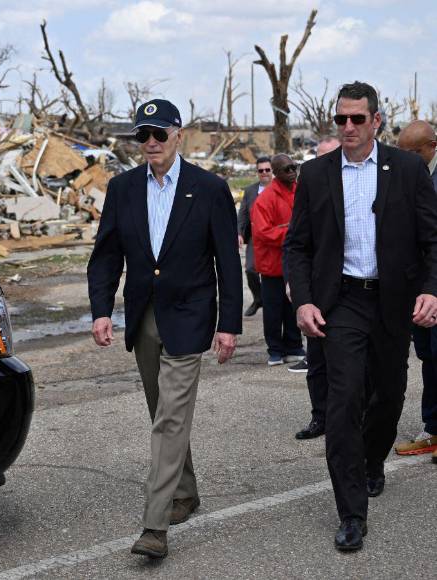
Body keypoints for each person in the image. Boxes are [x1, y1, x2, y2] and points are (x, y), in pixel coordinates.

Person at [87, 98, 242, 559]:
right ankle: (186, 492)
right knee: (164, 413)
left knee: (170, 417)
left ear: (179, 134)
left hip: (191, 314)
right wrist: (101, 310)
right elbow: (107, 255)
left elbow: (227, 264)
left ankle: (154, 527)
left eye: (159, 134)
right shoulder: (123, 188)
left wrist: (228, 324)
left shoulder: (209, 188)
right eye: (143, 136)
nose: (151, 143)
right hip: (143, 315)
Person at [286, 81, 437, 552]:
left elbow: (433, 240)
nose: (348, 127)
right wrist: (304, 300)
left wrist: (431, 289)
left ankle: (373, 461)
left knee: (389, 395)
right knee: (343, 399)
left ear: (375, 121)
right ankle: (352, 513)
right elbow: (298, 245)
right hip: (342, 302)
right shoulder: (314, 174)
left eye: (357, 118)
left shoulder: (409, 169)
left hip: (393, 301)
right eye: (340, 119)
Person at [394, 120, 437, 462]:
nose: (405, 158)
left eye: (411, 152)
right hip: (417, 287)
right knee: (427, 356)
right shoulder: (408, 176)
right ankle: (432, 427)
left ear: (430, 146)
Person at [292, 136, 340, 439]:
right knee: (317, 363)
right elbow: (296, 245)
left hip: (348, 294)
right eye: (319, 158)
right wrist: (296, 289)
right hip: (316, 294)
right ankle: (320, 416)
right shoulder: (310, 190)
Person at [250, 154, 304, 366]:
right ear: (275, 172)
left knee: (294, 306)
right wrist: (290, 233)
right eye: (286, 169)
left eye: (294, 167)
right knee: (273, 310)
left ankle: (294, 344)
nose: (292, 172)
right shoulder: (265, 199)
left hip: (294, 263)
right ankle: (275, 348)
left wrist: (289, 230)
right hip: (272, 264)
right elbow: (263, 233)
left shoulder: (300, 191)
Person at [238, 157, 272, 316]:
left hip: (276, 238)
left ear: (272, 170)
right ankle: (259, 299)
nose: (264, 173)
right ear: (257, 172)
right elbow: (243, 214)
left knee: (272, 273)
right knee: (251, 269)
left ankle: (274, 302)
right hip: (255, 237)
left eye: (267, 169)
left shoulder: (279, 188)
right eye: (261, 170)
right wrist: (239, 233)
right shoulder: (250, 191)